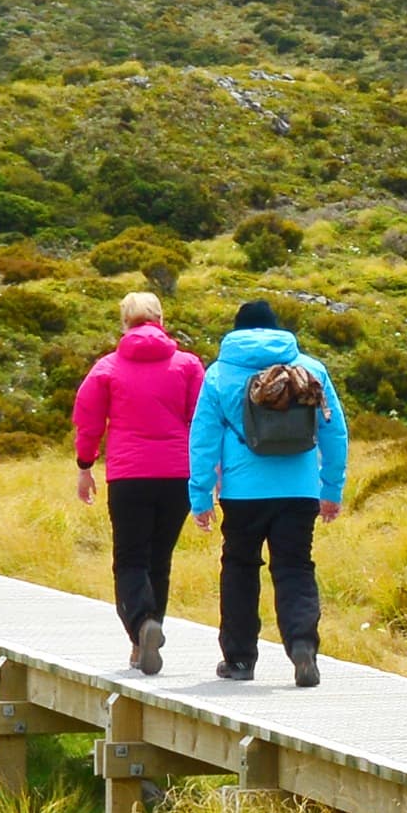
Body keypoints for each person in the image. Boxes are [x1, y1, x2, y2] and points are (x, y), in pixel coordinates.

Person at [189, 296, 348, 688]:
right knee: (295, 567)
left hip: (242, 494)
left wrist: (200, 495)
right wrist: (331, 487)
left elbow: (203, 440)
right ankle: (302, 647)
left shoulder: (219, 374)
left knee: (240, 568)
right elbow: (334, 432)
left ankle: (240, 660)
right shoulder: (311, 368)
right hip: (299, 491)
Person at [71, 288, 203, 677]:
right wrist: (209, 471)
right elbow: (202, 421)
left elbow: (89, 420)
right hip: (178, 474)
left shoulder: (107, 367)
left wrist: (84, 466)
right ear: (161, 321)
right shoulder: (188, 365)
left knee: (130, 559)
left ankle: (141, 628)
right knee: (158, 560)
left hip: (129, 476)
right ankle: (147, 634)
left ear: (124, 323)